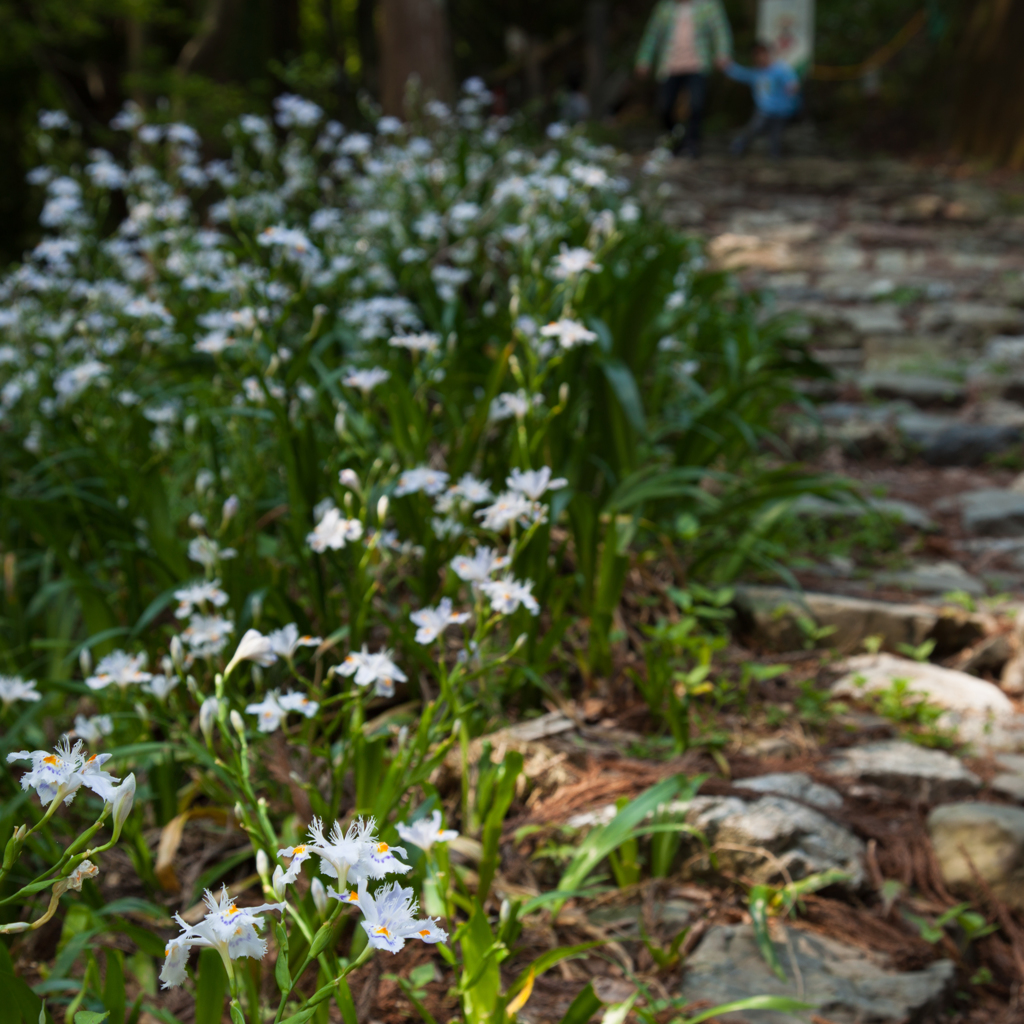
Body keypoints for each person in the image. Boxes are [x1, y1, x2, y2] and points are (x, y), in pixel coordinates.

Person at [635, 0, 733, 157]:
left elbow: (721, 31)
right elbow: (652, 35)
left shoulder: (709, 6)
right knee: (665, 107)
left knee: (696, 106)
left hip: (697, 65)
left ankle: (692, 146)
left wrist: (723, 54)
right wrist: (643, 59)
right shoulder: (664, 8)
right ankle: (675, 141)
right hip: (669, 66)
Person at [720, 41, 800, 159]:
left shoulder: (780, 68)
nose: (760, 57)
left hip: (781, 111)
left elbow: (791, 81)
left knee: (776, 136)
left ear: (768, 54)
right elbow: (740, 73)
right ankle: (737, 147)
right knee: (754, 128)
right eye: (757, 54)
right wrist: (727, 67)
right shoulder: (756, 73)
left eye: (763, 53)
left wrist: (792, 87)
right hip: (763, 111)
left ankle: (775, 157)